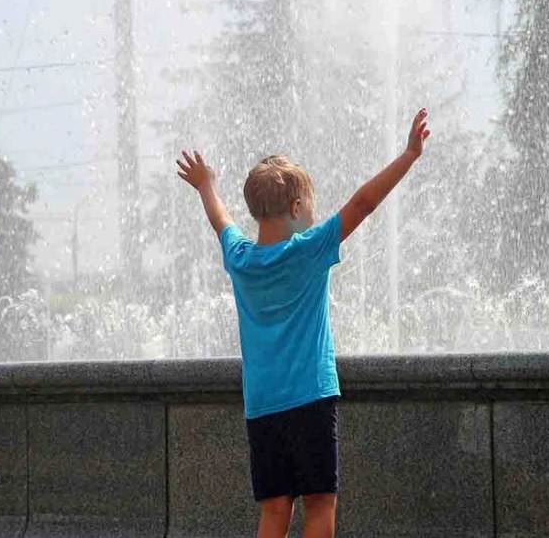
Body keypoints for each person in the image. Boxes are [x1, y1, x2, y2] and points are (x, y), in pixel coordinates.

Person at [176, 108, 431, 538]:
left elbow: (220, 219)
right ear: (296, 207)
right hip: (311, 396)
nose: (314, 213)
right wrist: (409, 154)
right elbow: (363, 204)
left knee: (274, 508)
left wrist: (206, 185)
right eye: (310, 205)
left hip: (262, 404)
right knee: (319, 502)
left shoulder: (240, 257)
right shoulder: (309, 249)